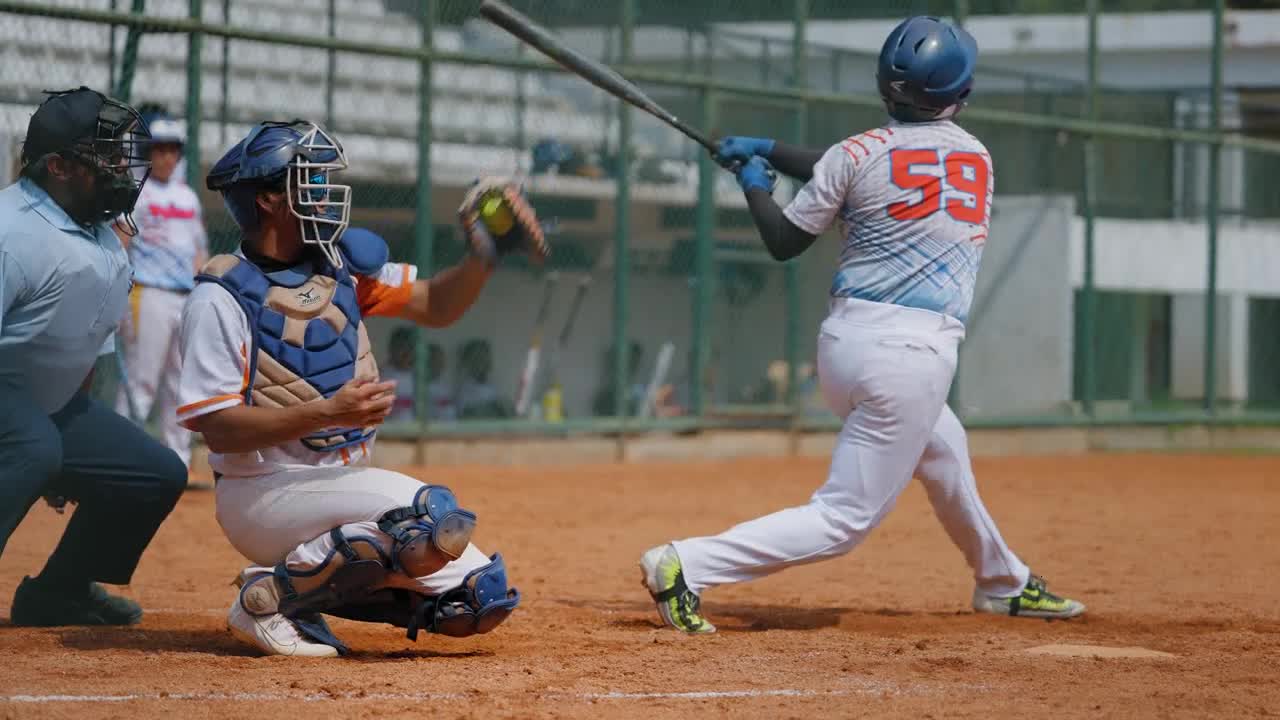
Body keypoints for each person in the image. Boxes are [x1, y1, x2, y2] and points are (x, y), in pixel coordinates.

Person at [639, 17, 1085, 634]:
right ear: (959, 93)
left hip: (846, 349)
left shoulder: (854, 152)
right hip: (909, 358)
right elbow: (878, 168)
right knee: (844, 520)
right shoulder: (977, 158)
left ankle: (1002, 581)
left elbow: (785, 238)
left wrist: (756, 184)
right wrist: (767, 154)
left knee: (945, 453)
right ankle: (685, 563)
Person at [175, 120, 547, 657]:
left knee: (477, 600)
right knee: (429, 514)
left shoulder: (340, 268)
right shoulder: (219, 297)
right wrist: (325, 413)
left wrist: (483, 257)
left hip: (341, 484)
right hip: (265, 492)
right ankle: (267, 599)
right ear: (269, 200)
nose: (325, 192)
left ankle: (301, 596)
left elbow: (436, 305)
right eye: (311, 180)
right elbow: (217, 427)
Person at [0, 87, 187, 626]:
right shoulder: (11, 231)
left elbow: (83, 353)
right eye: (101, 154)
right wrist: (34, 447)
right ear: (57, 165)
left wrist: (60, 452)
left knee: (154, 472)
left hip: (41, 407)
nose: (118, 166)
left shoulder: (102, 236)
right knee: (35, 446)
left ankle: (59, 592)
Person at [115, 109, 208, 468]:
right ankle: (121, 457)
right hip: (147, 292)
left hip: (186, 296)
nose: (167, 156)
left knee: (182, 382)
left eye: (173, 149)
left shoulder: (187, 197)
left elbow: (198, 248)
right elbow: (121, 240)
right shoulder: (136, 191)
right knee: (142, 380)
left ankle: (177, 461)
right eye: (160, 149)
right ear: (147, 151)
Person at [455, 338, 510, 419]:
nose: (486, 362)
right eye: (480, 358)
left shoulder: (492, 386)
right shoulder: (465, 390)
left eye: (487, 357)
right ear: (469, 363)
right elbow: (466, 416)